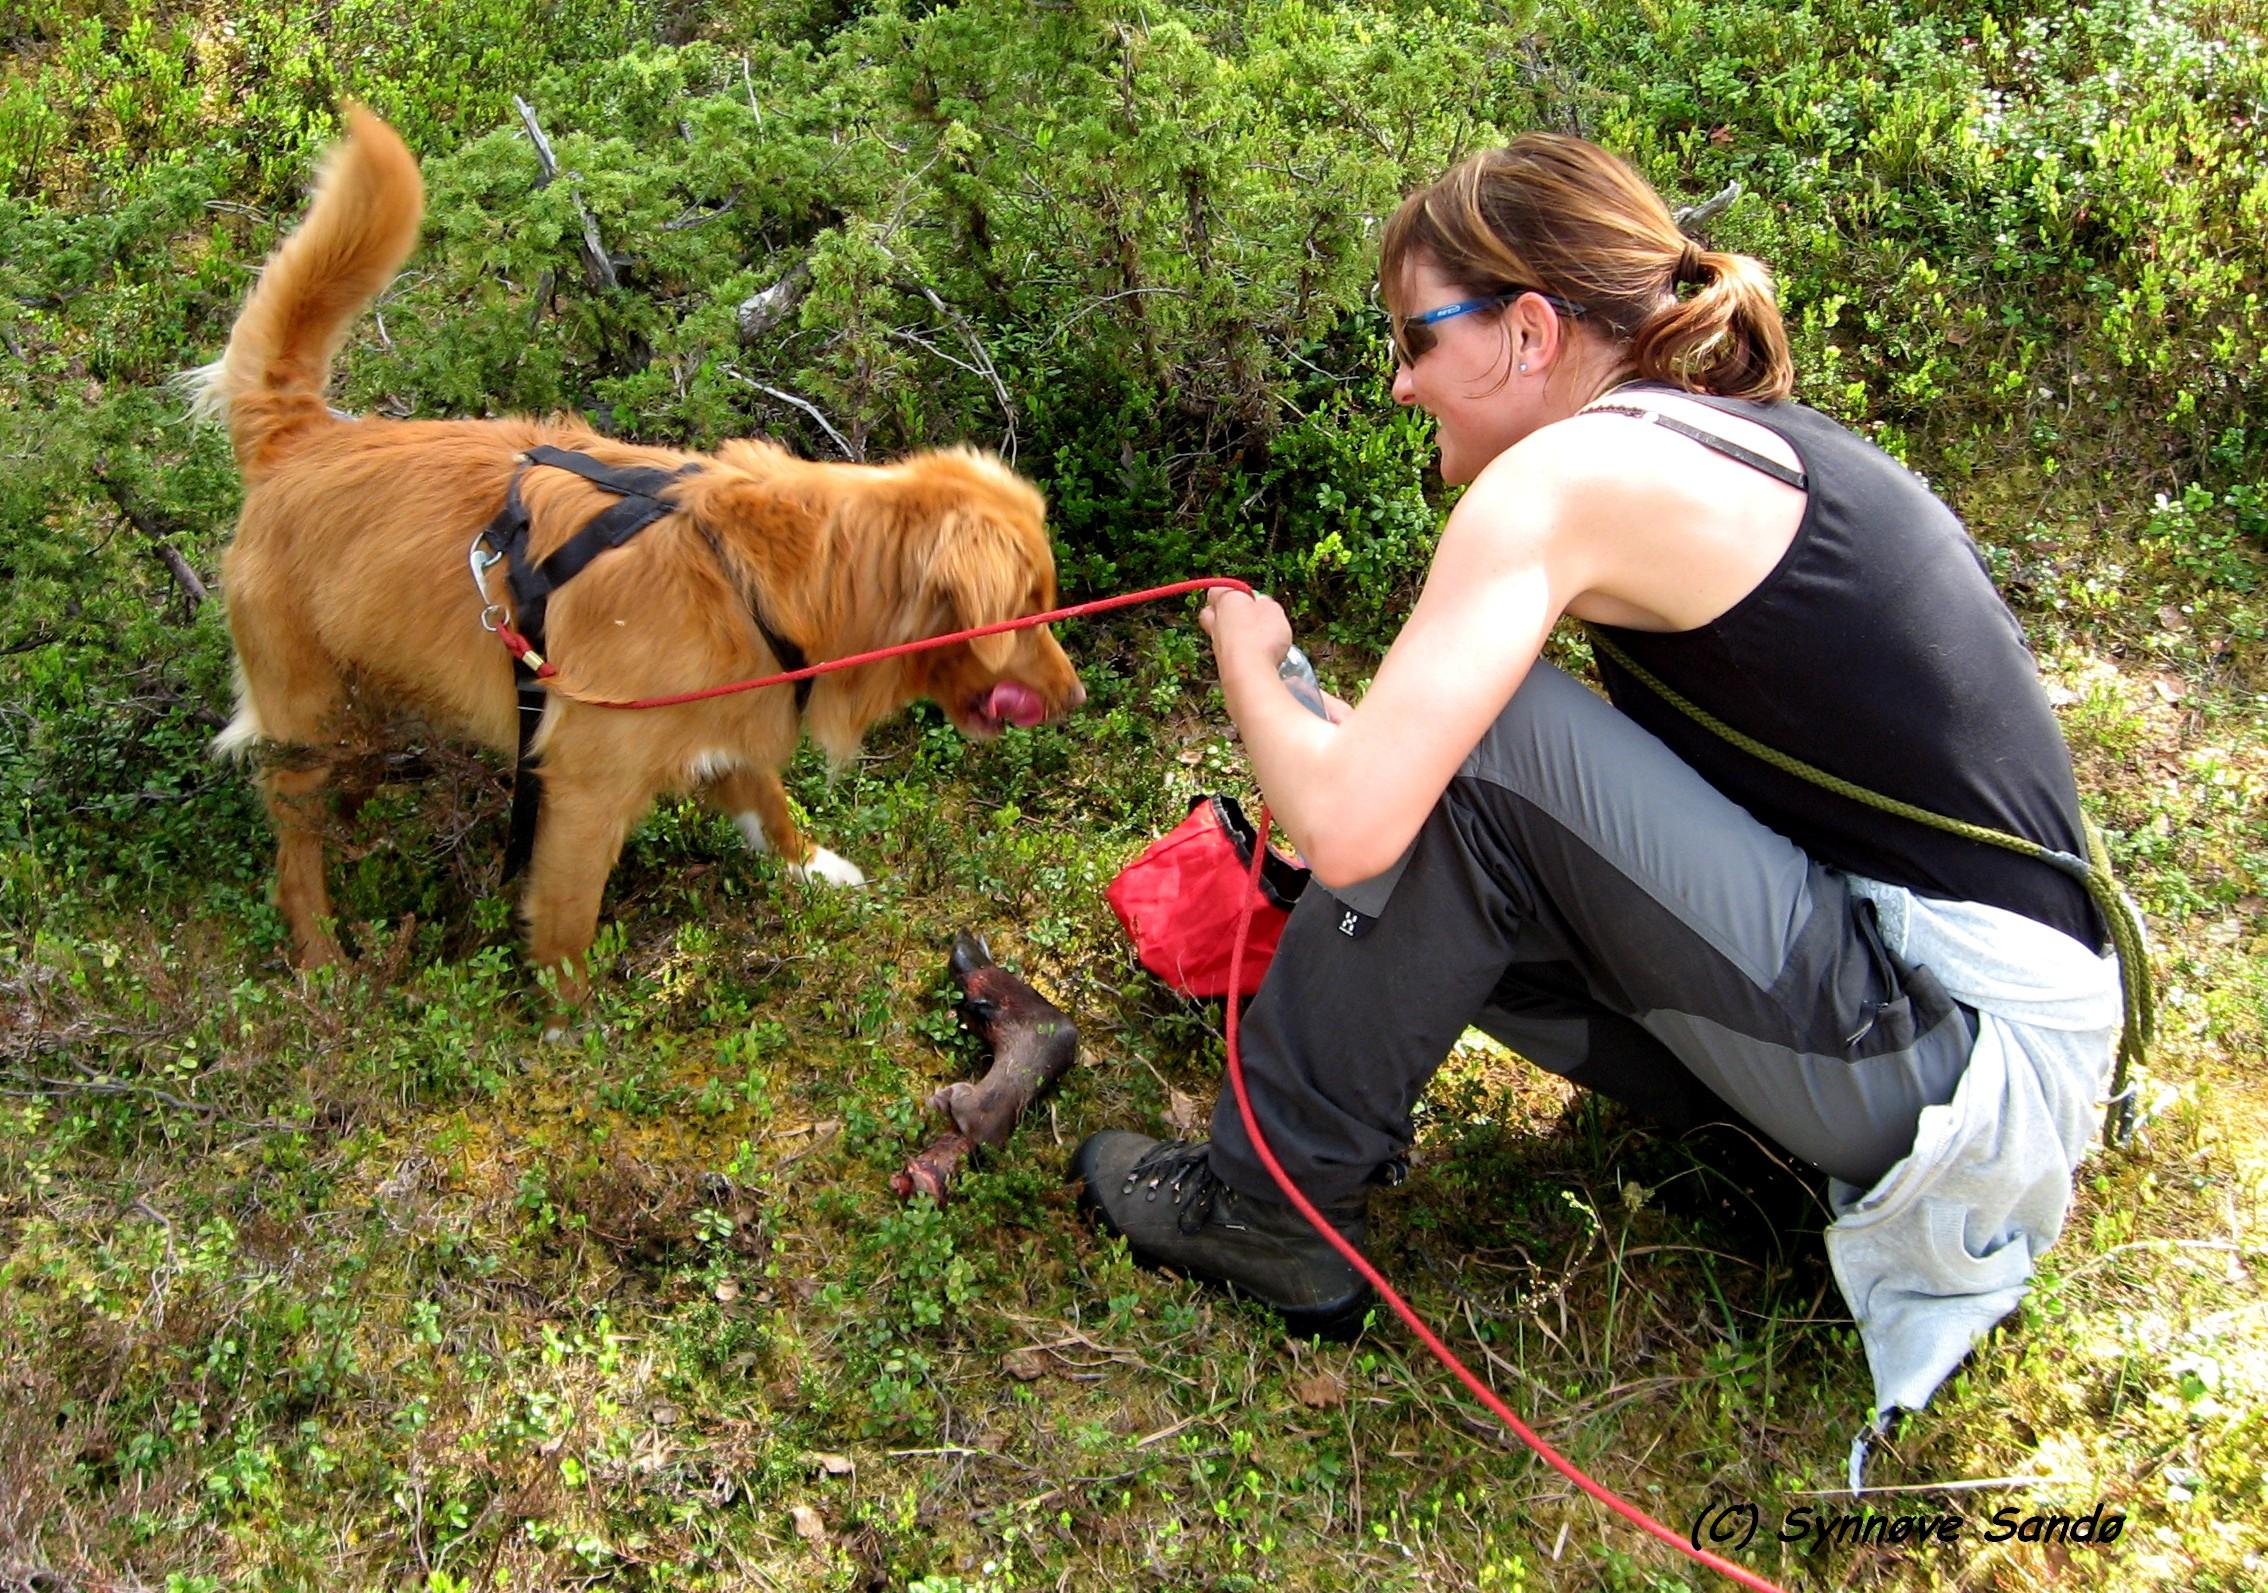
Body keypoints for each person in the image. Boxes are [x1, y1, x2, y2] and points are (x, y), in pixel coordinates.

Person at [1072, 134, 2127, 1425]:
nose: (1404, 386)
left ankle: (1267, 1205)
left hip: (1957, 1074)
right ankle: (1750, 1153)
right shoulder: (1692, 448)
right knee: (1456, 778)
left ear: (1525, 331)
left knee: (1480, 739)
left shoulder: (1566, 482)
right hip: (1971, 1045)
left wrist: (1253, 664)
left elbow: (1351, 824)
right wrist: (1368, 759)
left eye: (1414, 340)